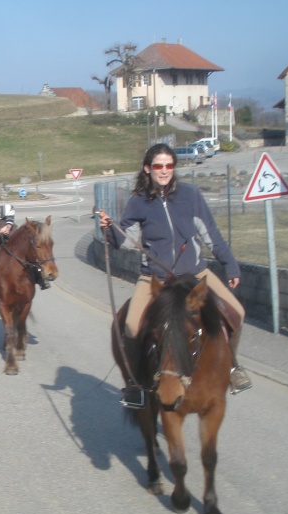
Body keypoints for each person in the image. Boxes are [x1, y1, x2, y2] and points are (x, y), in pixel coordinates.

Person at [99, 143, 252, 401]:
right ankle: (136, 383)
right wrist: (109, 228)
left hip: (195, 274)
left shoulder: (190, 195)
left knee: (237, 313)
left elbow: (210, 234)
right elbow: (125, 239)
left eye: (169, 165)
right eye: (158, 165)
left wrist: (230, 265)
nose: (164, 170)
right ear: (148, 168)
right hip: (154, 279)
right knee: (132, 327)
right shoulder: (138, 201)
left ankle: (232, 367)